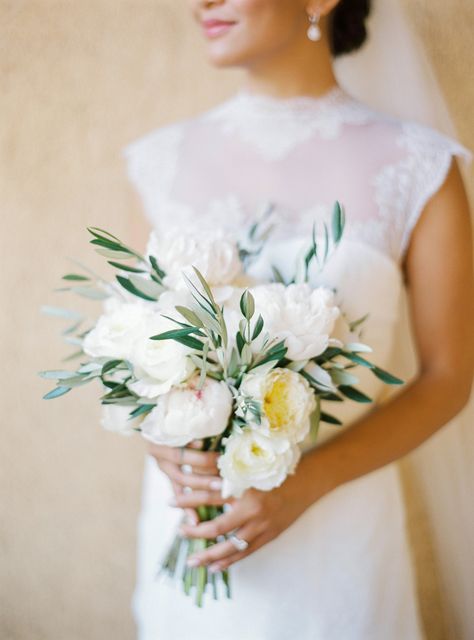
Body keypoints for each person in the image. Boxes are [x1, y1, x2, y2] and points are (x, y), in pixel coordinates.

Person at [122, 1, 474, 638]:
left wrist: (302, 483)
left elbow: (449, 376)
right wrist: (159, 431)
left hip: (339, 534)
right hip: (192, 529)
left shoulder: (418, 166)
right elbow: (140, 344)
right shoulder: (160, 162)